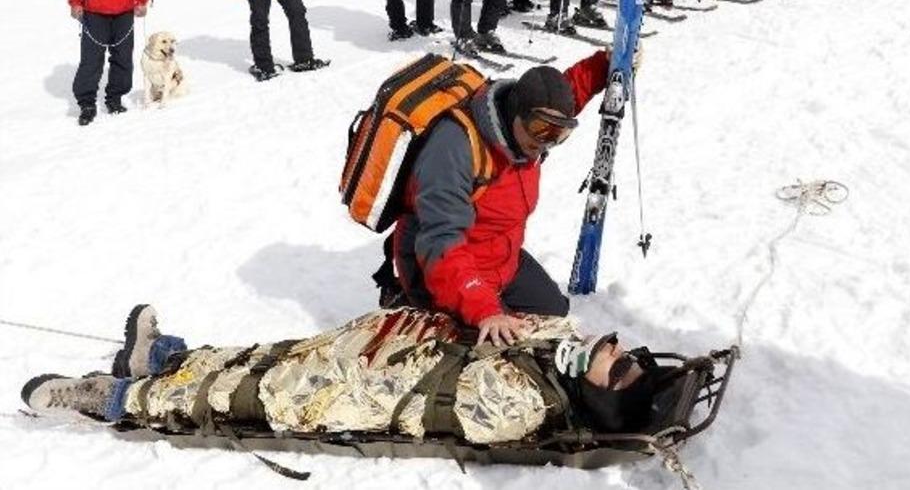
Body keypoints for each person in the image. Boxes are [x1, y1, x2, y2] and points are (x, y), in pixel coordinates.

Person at [22, 304, 663, 443]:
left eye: (621, 363)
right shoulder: (558, 351)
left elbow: (401, 407)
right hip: (377, 345)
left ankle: (115, 396)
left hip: (360, 386)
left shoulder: (519, 407)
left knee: (254, 388)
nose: (614, 346)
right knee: (265, 353)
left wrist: (324, 387)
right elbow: (548, 327)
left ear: (601, 395)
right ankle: (161, 360)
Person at [385, 51, 611, 345]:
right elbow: (442, 243)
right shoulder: (455, 148)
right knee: (511, 349)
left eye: (560, 134)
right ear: (516, 110)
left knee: (555, 314)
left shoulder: (528, 136)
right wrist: (484, 309)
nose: (546, 142)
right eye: (541, 129)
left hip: (502, 257)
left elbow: (565, 96)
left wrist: (605, 65)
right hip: (444, 265)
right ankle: (413, 304)